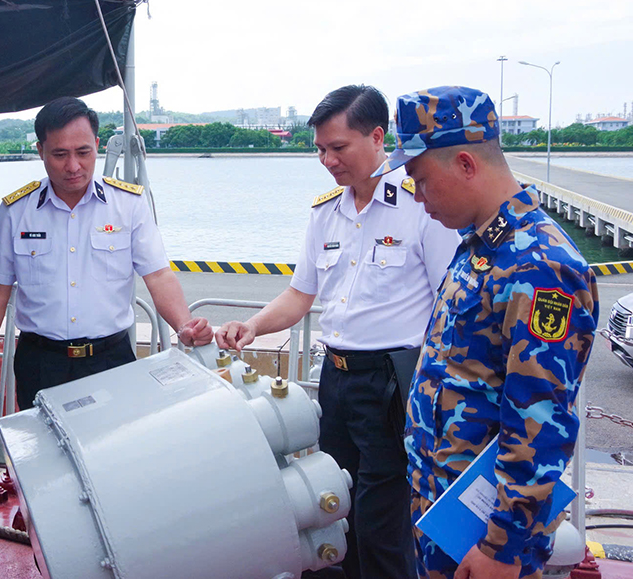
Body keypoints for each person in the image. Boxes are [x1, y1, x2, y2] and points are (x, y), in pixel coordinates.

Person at [216, 85, 461, 579]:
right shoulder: (325, 212)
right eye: (320, 150)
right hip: (338, 378)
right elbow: (300, 296)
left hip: (394, 379)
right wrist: (253, 326)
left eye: (338, 148)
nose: (328, 160)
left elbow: (450, 304)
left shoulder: (422, 208)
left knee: (382, 521)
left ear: (377, 136)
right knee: (335, 506)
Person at [373, 86, 598, 579]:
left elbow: (539, 422)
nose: (417, 196)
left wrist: (503, 546)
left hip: (487, 538)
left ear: (466, 165)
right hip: (445, 511)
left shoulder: (541, 268)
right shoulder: (480, 246)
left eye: (421, 179)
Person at [0, 96, 212, 412]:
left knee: (115, 456)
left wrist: (184, 325)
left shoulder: (127, 204)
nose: (73, 166)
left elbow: (157, 274)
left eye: (83, 152)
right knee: (44, 458)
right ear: (40, 150)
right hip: (41, 363)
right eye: (59, 154)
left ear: (97, 145)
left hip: (111, 361)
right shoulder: (17, 211)